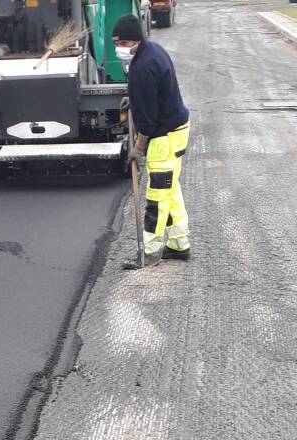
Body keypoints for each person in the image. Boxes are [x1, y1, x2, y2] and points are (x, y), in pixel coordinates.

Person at [112, 14, 191, 265]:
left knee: (156, 195)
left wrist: (137, 148)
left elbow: (147, 121)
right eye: (117, 43)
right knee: (171, 190)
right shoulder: (152, 51)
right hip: (178, 130)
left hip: (163, 138)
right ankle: (179, 245)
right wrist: (133, 100)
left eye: (122, 44)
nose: (119, 49)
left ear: (134, 40)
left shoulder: (142, 68)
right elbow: (153, 94)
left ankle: (150, 252)